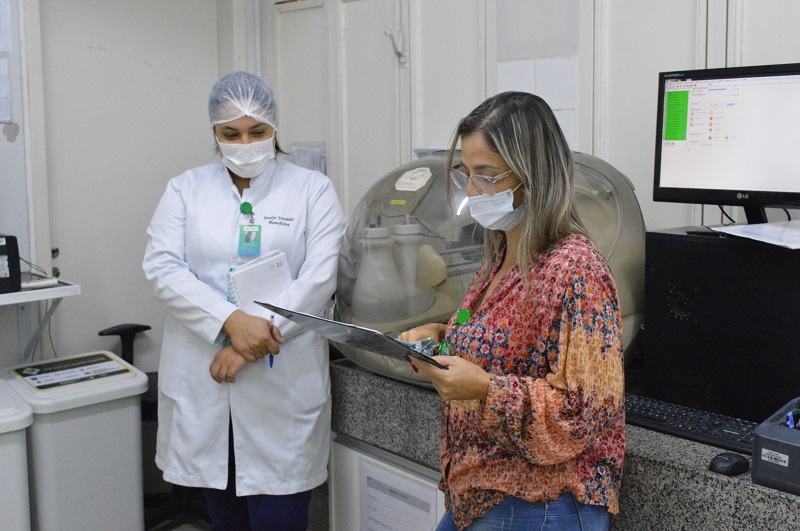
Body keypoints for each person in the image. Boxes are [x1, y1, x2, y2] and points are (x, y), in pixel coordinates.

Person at [399, 92, 625, 530]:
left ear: (533, 174)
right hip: (483, 493)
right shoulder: (500, 254)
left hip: (542, 502)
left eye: (487, 176)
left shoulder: (575, 268)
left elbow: (581, 413)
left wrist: (485, 389)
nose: (472, 191)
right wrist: (443, 335)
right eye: (467, 174)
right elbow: (505, 342)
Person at [142, 71, 346, 530]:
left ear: (275, 127)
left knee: (281, 517)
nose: (245, 143)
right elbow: (163, 267)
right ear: (214, 134)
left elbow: (321, 276)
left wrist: (249, 340)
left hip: (282, 382)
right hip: (208, 384)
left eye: (258, 132)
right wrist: (229, 321)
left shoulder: (312, 189)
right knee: (225, 519)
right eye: (230, 134)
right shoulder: (184, 189)